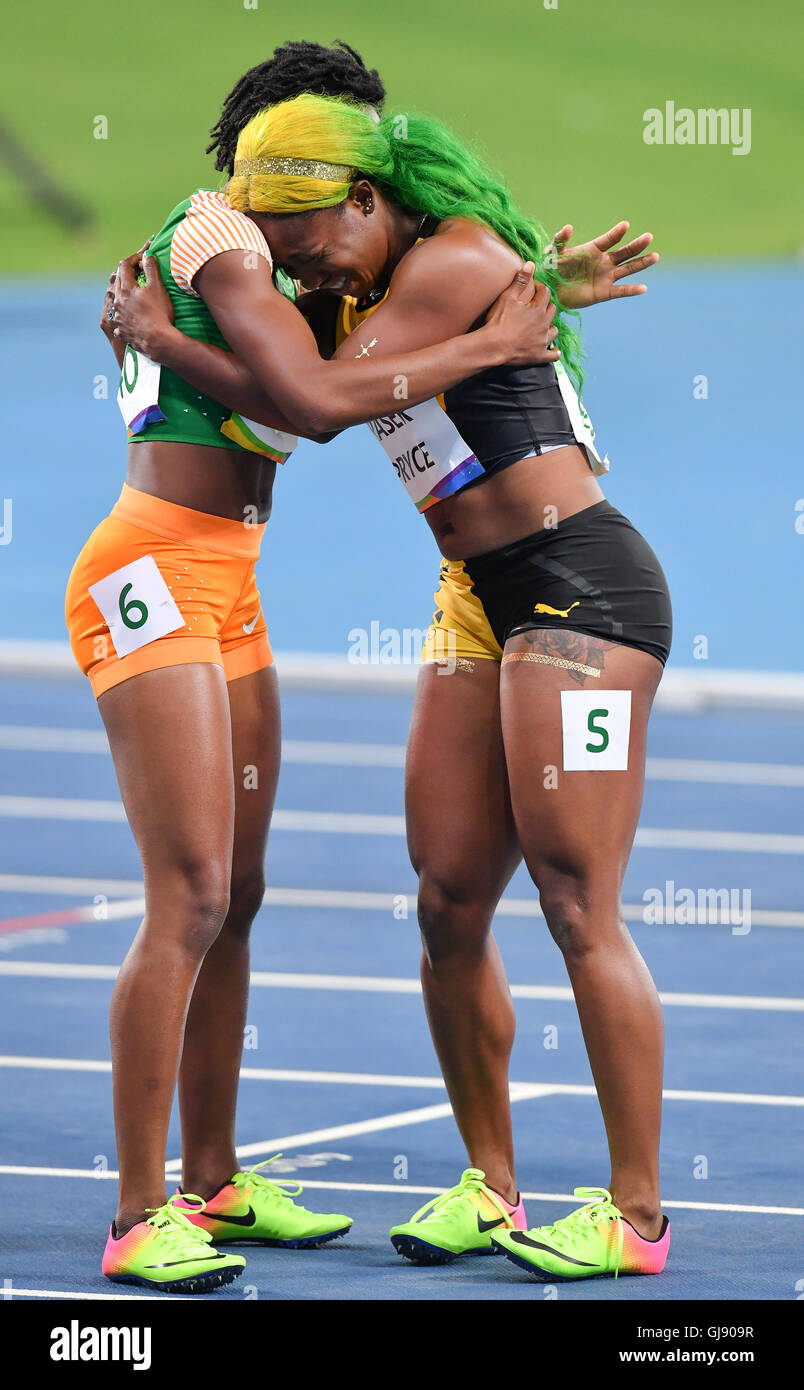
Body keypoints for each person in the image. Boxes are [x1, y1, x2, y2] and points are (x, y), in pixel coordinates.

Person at [110, 92, 670, 1284]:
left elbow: (306, 406)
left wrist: (168, 342)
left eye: (308, 230)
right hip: (476, 597)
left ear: (370, 199)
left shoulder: (455, 259)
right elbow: (292, 369)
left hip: (583, 591)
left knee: (577, 901)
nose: (294, 255)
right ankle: (493, 1183)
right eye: (275, 234)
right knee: (448, 900)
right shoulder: (368, 288)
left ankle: (635, 1215)